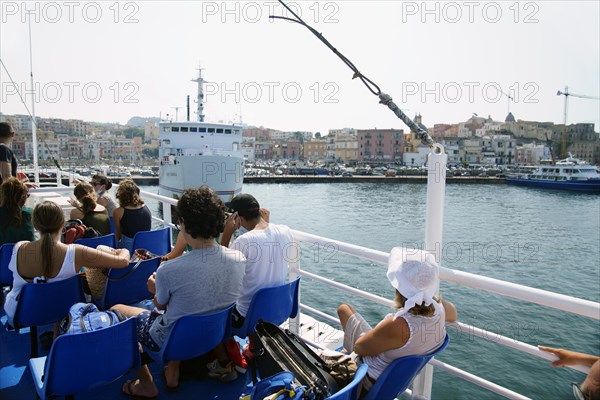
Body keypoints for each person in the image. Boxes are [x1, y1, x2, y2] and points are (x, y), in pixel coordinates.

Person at [112, 186, 245, 398]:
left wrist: (154, 288)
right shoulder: (239, 259)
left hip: (169, 342)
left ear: (184, 224)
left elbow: (159, 305)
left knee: (117, 310)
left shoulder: (169, 270)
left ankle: (146, 383)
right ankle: (173, 370)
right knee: (185, 309)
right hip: (211, 337)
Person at [336, 248, 457, 393]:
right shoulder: (441, 310)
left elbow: (359, 348)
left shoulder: (399, 325)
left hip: (366, 382)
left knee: (343, 309)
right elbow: (454, 314)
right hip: (391, 386)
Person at [3, 201, 130, 327]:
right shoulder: (76, 252)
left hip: (21, 314)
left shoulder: (19, 248)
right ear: (62, 224)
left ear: (35, 225)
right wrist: (123, 250)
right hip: (63, 313)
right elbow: (123, 262)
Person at [220, 194, 293, 332]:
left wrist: (227, 233)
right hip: (278, 308)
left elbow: (223, 267)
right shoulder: (285, 230)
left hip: (248, 315)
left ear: (238, 218)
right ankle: (254, 344)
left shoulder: (244, 241)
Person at [113, 179, 152, 252]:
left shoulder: (118, 211)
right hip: (146, 245)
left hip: (129, 247)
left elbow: (118, 235)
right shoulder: (146, 208)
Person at [0, 177, 35, 246]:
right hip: (21, 255)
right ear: (22, 197)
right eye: (27, 195)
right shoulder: (27, 214)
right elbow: (30, 241)